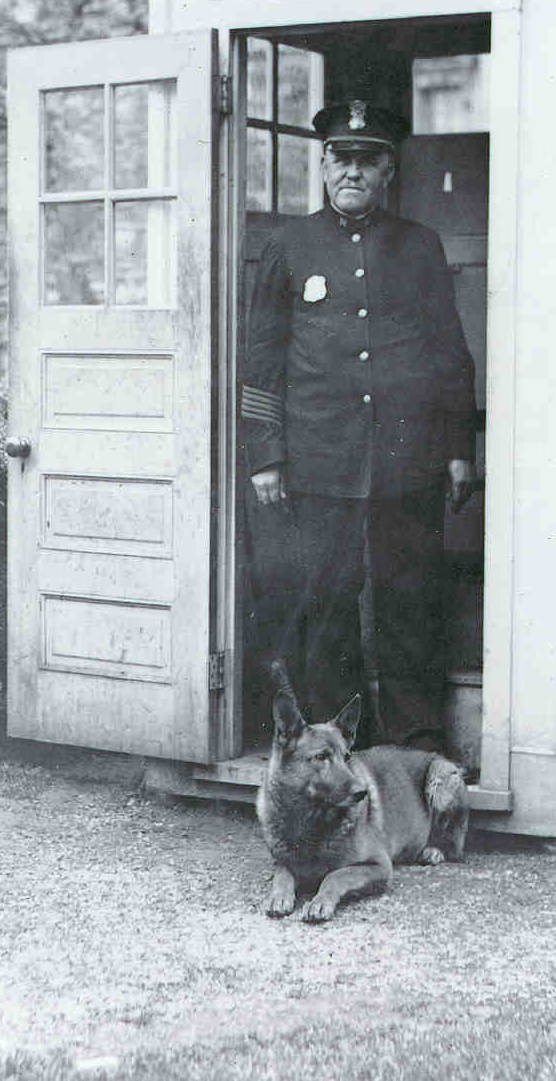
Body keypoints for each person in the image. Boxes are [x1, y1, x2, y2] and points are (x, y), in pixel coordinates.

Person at [242, 99, 477, 749]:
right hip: (318, 463)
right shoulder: (288, 247)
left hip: (408, 462)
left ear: (387, 171)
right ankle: (338, 747)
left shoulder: (418, 247)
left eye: (366, 161)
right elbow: (261, 361)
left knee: (409, 607)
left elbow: (449, 355)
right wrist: (266, 455)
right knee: (326, 612)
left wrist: (458, 449)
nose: (351, 172)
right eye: (340, 159)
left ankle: (414, 750)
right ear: (321, 166)